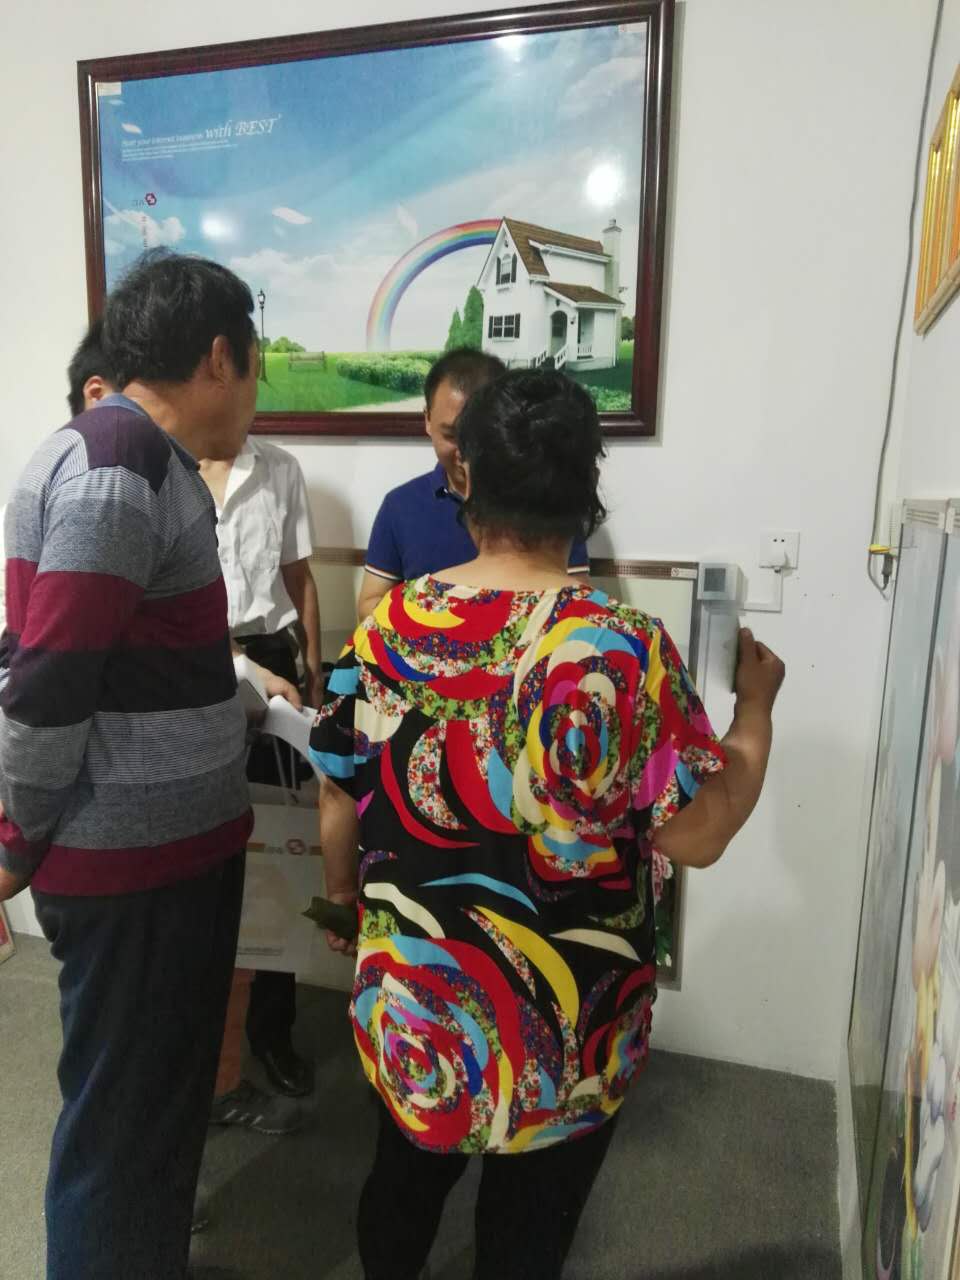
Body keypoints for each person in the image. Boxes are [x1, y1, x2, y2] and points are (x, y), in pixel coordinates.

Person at [310, 369, 785, 1280]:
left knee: (399, 1194)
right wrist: (755, 712)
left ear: (467, 479)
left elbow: (337, 790)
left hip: (419, 1010)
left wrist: (341, 894)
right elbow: (702, 832)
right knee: (527, 1238)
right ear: (584, 491)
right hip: (569, 1027)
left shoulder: (387, 629)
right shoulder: (622, 650)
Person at [0, 249, 296, 1280]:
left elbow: (127, 656)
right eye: (255, 369)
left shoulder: (133, 459)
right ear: (219, 357)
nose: (255, 397)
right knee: (123, 1132)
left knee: (157, 1112)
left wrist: (244, 689)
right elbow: (50, 678)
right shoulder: (119, 464)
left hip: (162, 855)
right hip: (132, 868)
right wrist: (14, 841)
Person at [199, 434, 320, 1100]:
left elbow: (300, 579)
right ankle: (203, 1036)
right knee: (203, 850)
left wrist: (314, 674)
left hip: (274, 659)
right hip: (196, 662)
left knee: (278, 846)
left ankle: (274, 1031)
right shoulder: (161, 466)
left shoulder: (280, 469)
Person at [356, 348, 590, 622]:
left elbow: (577, 601)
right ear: (427, 420)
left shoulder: (546, 496)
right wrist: (437, 626)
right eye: (451, 435)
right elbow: (369, 604)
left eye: (478, 436)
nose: (464, 452)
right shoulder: (401, 505)